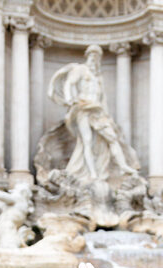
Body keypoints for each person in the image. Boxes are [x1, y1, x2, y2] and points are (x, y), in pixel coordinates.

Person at [48, 44, 138, 182]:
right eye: (92, 55)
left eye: (97, 56)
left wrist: (106, 114)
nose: (94, 59)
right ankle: (93, 173)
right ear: (87, 56)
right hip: (83, 108)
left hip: (98, 111)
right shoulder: (80, 69)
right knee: (87, 141)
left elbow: (103, 99)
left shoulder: (98, 77)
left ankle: (123, 166)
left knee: (112, 139)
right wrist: (70, 99)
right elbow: (69, 84)